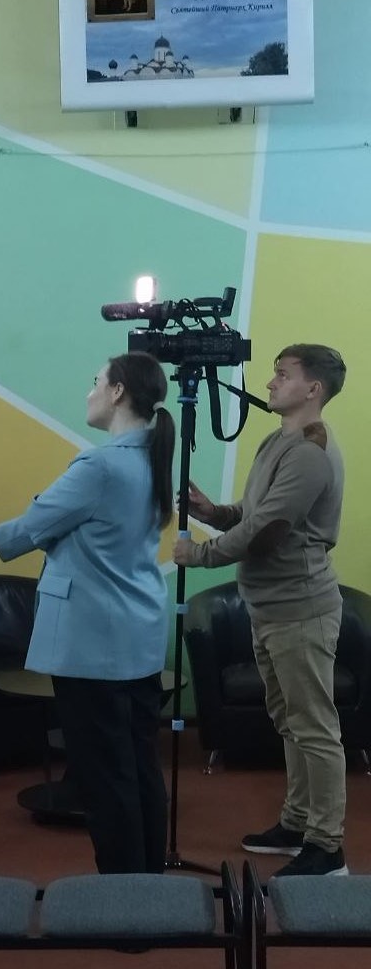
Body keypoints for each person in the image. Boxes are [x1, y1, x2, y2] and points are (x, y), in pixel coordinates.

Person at [0, 352, 175, 873]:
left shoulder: (99, 465)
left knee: (104, 779)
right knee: (139, 768)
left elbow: (41, 519)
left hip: (92, 646)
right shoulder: (151, 458)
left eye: (96, 382)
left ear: (118, 392)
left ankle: (125, 898)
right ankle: (152, 889)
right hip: (138, 638)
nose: (89, 391)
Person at [173, 344, 348, 878]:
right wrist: (212, 512)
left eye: (282, 374)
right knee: (290, 722)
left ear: (312, 388)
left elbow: (267, 531)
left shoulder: (311, 451)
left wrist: (200, 554)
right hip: (270, 607)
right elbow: (253, 514)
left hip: (301, 610)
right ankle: (297, 824)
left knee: (314, 728)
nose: (271, 383)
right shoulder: (278, 441)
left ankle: (328, 847)